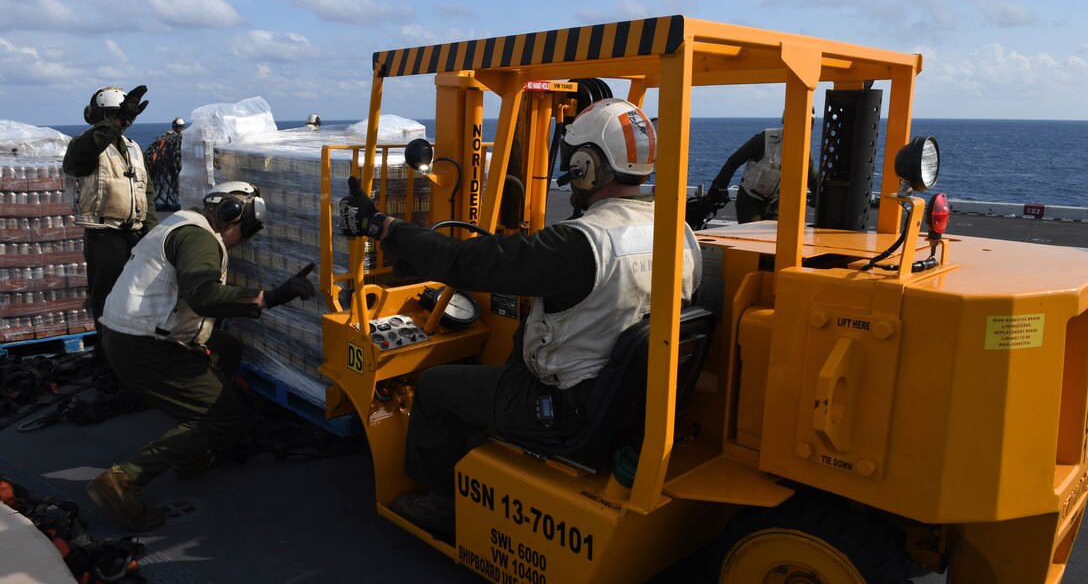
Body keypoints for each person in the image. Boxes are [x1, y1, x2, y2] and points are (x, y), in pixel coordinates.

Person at [339, 98, 702, 535]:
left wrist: (384, 226)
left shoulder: (578, 246)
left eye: (573, 162)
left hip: (563, 408)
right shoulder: (678, 232)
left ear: (588, 166)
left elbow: (465, 261)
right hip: (624, 402)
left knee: (435, 389)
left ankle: (442, 505)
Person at [86, 181, 316, 531]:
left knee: (228, 349)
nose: (246, 239)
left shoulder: (179, 223)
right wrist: (272, 295)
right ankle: (121, 481)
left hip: (129, 336)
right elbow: (204, 295)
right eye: (249, 229)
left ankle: (196, 443)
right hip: (144, 346)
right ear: (231, 215)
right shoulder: (199, 239)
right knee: (226, 420)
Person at [63, 85, 158, 335]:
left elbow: (145, 192)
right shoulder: (82, 146)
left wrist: (151, 235)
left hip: (135, 235)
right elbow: (90, 147)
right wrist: (115, 121)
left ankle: (131, 354)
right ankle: (107, 355)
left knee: (138, 299)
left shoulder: (134, 148)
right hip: (104, 237)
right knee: (107, 301)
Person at [707, 109, 818, 223]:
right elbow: (734, 161)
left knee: (773, 238)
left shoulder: (803, 151)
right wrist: (717, 188)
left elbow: (812, 177)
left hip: (774, 204)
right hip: (749, 200)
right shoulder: (765, 139)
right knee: (754, 236)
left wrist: (818, 200)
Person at [145, 117, 187, 211]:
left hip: (167, 168)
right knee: (167, 187)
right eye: (180, 127)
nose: (181, 129)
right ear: (175, 126)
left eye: (182, 126)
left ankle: (169, 202)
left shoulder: (176, 138)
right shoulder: (170, 138)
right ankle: (169, 203)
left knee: (169, 187)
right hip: (166, 168)